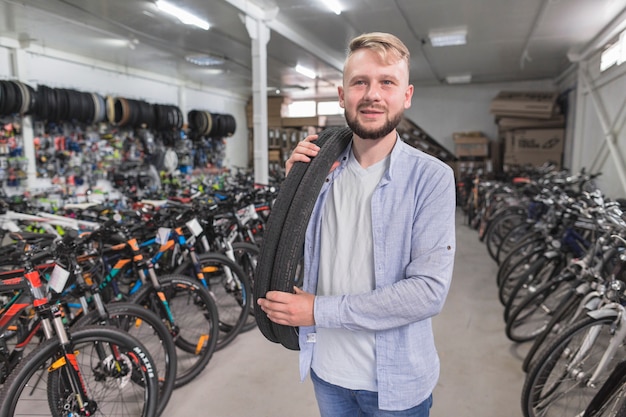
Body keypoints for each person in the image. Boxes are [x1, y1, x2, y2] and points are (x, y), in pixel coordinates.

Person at [257, 32, 456, 417]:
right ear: (342, 93)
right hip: (327, 372)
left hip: (396, 383)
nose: (372, 95)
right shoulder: (318, 171)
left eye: (387, 82)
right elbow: (291, 251)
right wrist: (294, 187)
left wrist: (319, 311)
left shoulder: (431, 178)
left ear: (407, 95)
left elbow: (428, 291)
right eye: (360, 82)